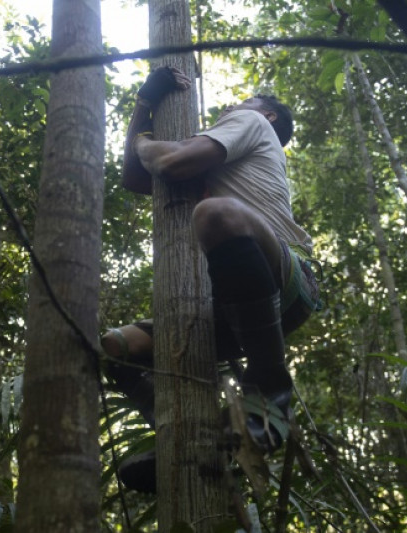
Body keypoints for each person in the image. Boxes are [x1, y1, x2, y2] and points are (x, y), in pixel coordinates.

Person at [102, 66, 320, 493]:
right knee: (116, 348)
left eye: (243, 103)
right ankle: (188, 438)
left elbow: (169, 161)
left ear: (268, 116)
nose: (232, 108)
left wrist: (145, 140)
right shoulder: (222, 164)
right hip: (237, 306)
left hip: (286, 281)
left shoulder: (253, 123)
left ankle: (270, 391)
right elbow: (135, 177)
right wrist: (144, 105)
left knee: (217, 213)